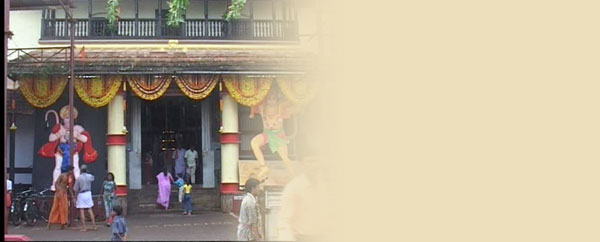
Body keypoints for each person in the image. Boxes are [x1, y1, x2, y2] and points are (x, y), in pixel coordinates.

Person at [38, 106, 98, 191]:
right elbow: (50, 139)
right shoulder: (59, 127)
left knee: (76, 168)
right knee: (58, 167)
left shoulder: (77, 128)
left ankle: (78, 185)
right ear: (63, 118)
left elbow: (86, 139)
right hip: (61, 149)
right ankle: (55, 184)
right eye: (67, 118)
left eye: (71, 118)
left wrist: (78, 135)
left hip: (73, 149)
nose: (69, 120)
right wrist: (58, 134)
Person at [277, 157, 330, 241]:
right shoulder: (294, 187)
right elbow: (285, 221)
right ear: (302, 164)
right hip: (303, 238)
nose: (313, 165)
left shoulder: (324, 186)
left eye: (316, 161)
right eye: (309, 161)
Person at [249, 90, 297, 180]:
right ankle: (263, 167)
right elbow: (253, 101)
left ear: (277, 99)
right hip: (266, 134)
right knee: (254, 143)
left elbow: (294, 102)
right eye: (269, 99)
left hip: (279, 135)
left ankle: (294, 175)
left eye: (273, 98)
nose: (271, 101)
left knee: (284, 157)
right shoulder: (262, 107)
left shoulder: (281, 107)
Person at [73, 164, 97, 231]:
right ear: (86, 170)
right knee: (90, 209)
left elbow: (76, 189)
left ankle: (84, 227)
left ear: (80, 170)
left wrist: (75, 197)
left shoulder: (79, 178)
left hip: (81, 194)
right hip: (88, 193)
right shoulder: (90, 176)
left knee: (82, 210)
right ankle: (94, 226)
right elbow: (93, 178)